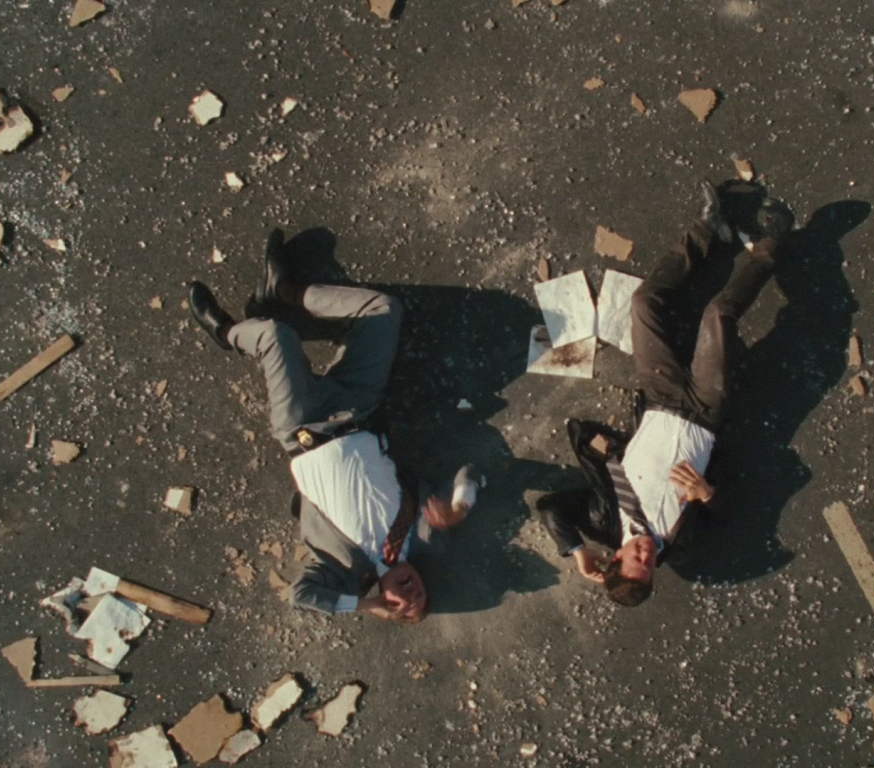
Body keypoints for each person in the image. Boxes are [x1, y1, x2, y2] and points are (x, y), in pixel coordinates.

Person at [188, 230, 475, 622]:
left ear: (385, 601)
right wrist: (458, 509)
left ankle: (225, 333)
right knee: (383, 309)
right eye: (421, 596)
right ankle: (284, 290)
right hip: (358, 408)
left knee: (275, 336)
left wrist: (365, 605)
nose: (412, 595)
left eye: (404, 606)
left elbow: (301, 596)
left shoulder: (345, 571)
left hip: (302, 426)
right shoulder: (426, 538)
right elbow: (469, 475)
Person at [537, 183, 793, 606]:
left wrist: (577, 552)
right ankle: (774, 243)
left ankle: (707, 228)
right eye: (651, 564)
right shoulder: (680, 541)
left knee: (644, 303)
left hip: (658, 394)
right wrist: (707, 494)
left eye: (635, 559)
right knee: (718, 314)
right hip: (705, 410)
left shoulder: (604, 519)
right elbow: (729, 515)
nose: (647, 554)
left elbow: (550, 507)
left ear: (615, 557)